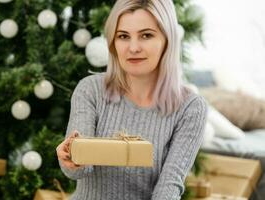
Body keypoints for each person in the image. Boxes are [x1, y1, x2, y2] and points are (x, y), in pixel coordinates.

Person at [56, 0, 207, 199]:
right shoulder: (90, 90)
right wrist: (71, 158)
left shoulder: (190, 108)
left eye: (146, 35)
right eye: (123, 36)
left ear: (167, 40)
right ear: (113, 42)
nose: (133, 48)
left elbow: (168, 187)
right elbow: (78, 170)